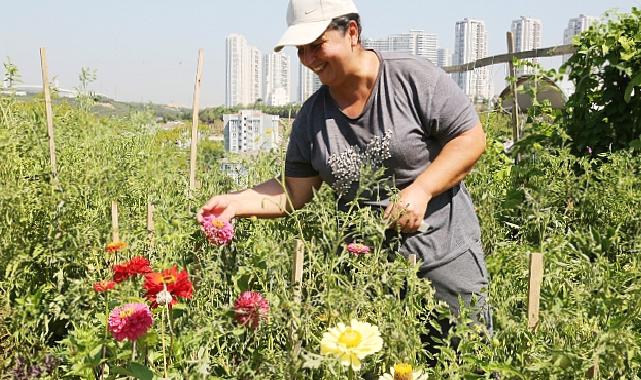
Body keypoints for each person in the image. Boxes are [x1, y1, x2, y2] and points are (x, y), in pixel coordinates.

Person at [198, 0, 492, 362]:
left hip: (444, 257)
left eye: (316, 45)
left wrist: (422, 189)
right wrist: (237, 202)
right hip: (368, 275)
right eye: (300, 50)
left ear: (352, 31)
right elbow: (294, 192)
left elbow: (470, 139)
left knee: (466, 361)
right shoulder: (312, 118)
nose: (308, 59)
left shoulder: (413, 79)